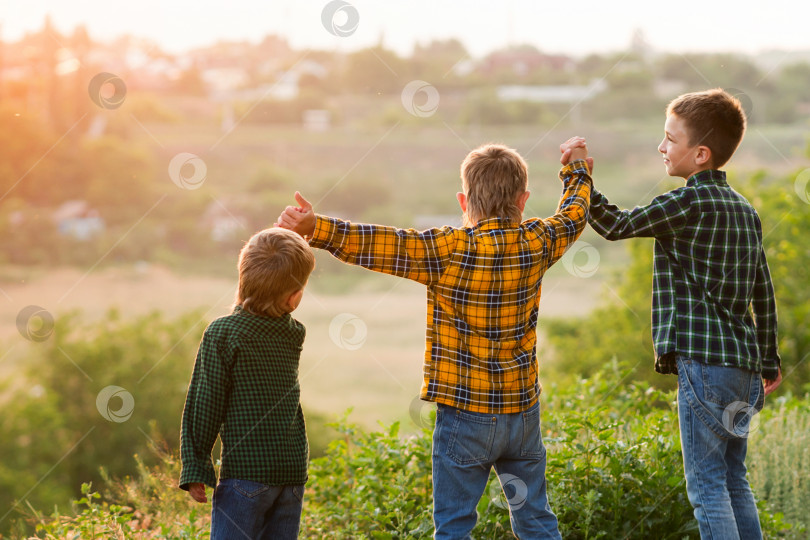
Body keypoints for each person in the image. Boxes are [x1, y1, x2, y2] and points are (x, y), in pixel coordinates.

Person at [276, 138, 592, 539]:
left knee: (454, 525)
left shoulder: (447, 248)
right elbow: (574, 214)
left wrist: (315, 228)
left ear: (464, 202)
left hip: (464, 415)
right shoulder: (538, 241)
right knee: (535, 520)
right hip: (521, 413)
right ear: (523, 199)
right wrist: (576, 168)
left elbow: (382, 244)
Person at [563, 88, 781, 539]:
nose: (661, 148)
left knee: (706, 486)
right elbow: (764, 290)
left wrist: (577, 175)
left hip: (703, 366)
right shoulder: (746, 211)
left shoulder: (686, 203)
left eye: (669, 139)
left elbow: (615, 225)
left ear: (700, 154)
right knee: (734, 480)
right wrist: (770, 359)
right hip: (743, 368)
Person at [179, 227, 316, 540]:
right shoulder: (294, 332)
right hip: (292, 473)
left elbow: (206, 402)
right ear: (293, 298)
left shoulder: (223, 333)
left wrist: (196, 465)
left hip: (247, 473)